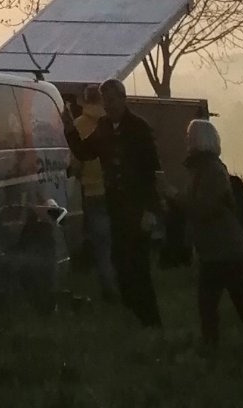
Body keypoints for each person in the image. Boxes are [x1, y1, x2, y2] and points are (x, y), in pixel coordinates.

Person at [183, 118, 243, 353]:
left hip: (225, 251)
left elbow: (203, 208)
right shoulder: (204, 169)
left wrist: (173, 197)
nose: (186, 140)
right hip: (220, 250)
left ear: (198, 140)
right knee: (222, 306)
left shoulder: (210, 171)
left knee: (232, 306)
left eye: (189, 136)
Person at [97, 78, 163, 328]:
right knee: (120, 264)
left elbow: (151, 171)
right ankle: (136, 313)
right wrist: (70, 130)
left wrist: (150, 209)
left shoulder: (139, 128)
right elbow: (86, 151)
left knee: (139, 267)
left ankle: (151, 321)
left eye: (111, 100)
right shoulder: (103, 126)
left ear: (123, 99)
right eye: (105, 101)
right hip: (115, 207)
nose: (107, 105)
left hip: (137, 208)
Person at [63, 88, 117, 301]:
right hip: (114, 191)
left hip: (92, 193)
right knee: (117, 244)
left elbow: (76, 162)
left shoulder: (79, 125)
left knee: (102, 247)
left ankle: (109, 291)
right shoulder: (110, 123)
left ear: (84, 101)